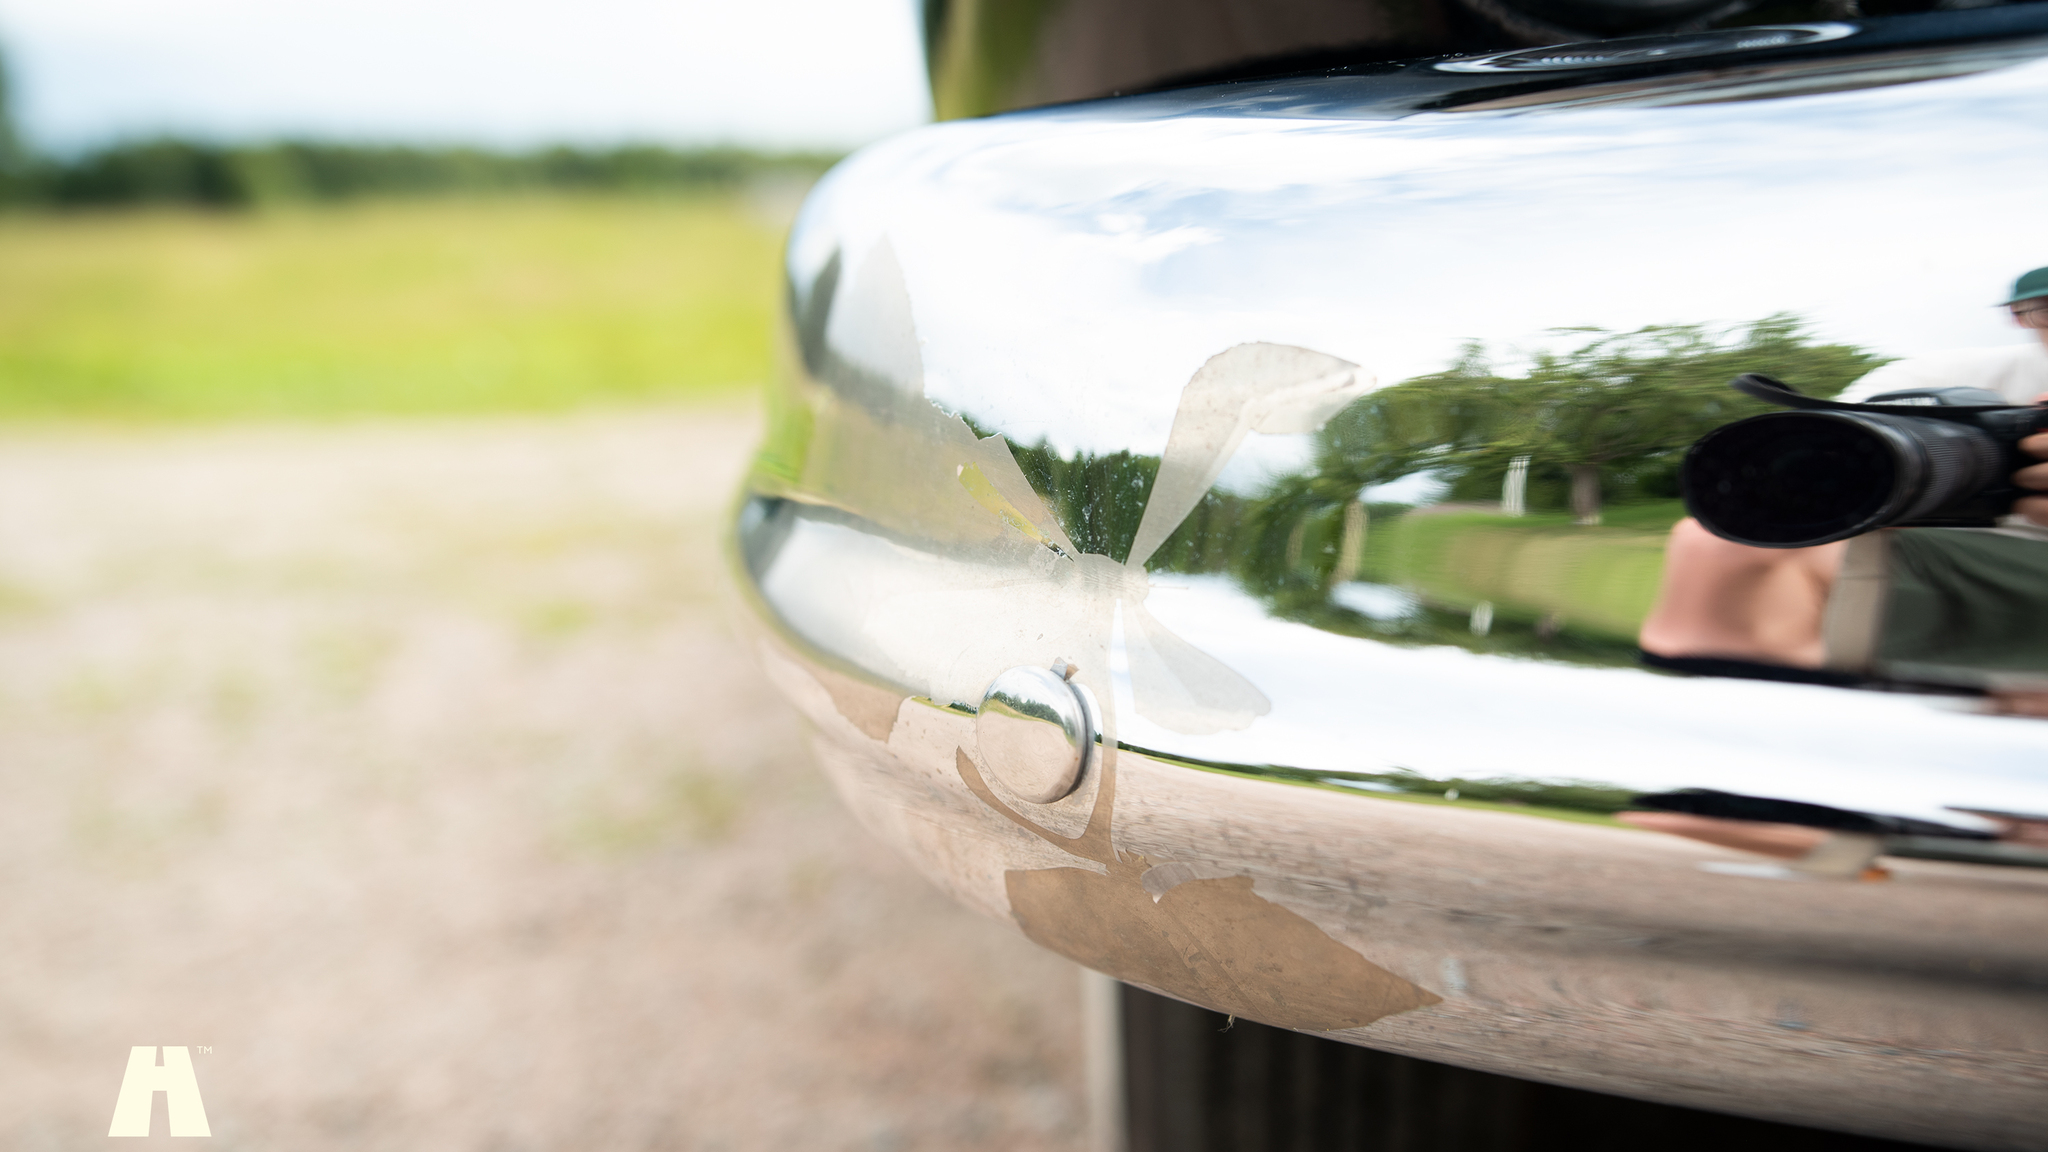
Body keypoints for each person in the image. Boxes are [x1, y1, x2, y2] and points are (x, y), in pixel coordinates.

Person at [1639, 267, 2048, 689]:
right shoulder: (1936, 375)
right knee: (1717, 542)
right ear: (2019, 315)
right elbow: (1816, 457)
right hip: (1958, 549)